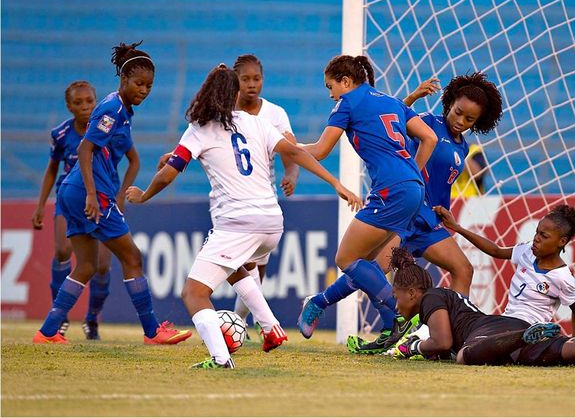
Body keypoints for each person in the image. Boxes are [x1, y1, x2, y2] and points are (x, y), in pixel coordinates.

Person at [127, 64, 362, 369]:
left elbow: (168, 174)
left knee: (194, 293)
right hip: (271, 223)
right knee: (236, 265)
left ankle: (220, 358)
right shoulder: (257, 123)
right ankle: (271, 327)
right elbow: (295, 152)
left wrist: (144, 195)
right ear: (235, 94)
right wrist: (335, 183)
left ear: (206, 93)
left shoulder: (199, 128)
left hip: (239, 224)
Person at [298, 73, 504, 351]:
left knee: (463, 268)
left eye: (470, 119)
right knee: (372, 271)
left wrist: (444, 211)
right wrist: (413, 97)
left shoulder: (463, 147)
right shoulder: (429, 122)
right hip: (404, 213)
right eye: (458, 112)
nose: (461, 121)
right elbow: (390, 118)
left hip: (429, 221)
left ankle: (451, 337)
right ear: (449, 104)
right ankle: (320, 303)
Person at [33, 41, 192, 346]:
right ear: (123, 79)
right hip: (88, 191)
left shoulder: (120, 108)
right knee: (132, 256)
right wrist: (93, 195)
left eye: (149, 85)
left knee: (87, 266)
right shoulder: (112, 109)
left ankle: (48, 331)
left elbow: (123, 156)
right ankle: (152, 331)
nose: (144, 90)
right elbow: (85, 149)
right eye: (138, 84)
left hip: (72, 191)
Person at [298, 55, 437, 353]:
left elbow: (320, 151)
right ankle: (375, 323)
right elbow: (429, 137)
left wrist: (287, 147)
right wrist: (411, 172)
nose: (331, 95)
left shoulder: (347, 103)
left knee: (346, 259)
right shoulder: (392, 101)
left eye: (330, 87)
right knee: (369, 267)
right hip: (414, 189)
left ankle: (397, 315)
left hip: (390, 189)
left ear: (346, 81)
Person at [388, 248, 575, 366]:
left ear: (412, 292)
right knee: (574, 353)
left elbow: (442, 341)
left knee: (465, 356)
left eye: (396, 296)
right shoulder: (440, 298)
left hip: (490, 331)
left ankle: (522, 338)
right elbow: (441, 345)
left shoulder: (431, 297)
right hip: (505, 332)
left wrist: (413, 348)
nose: (396, 304)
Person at [32, 81, 117, 340]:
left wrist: (119, 194)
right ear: (69, 106)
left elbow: (126, 159)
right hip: (69, 198)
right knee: (62, 251)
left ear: (96, 101)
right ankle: (59, 316)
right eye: (78, 102)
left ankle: (92, 320)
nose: (85, 107)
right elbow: (52, 169)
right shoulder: (60, 134)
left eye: (89, 101)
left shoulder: (106, 128)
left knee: (102, 265)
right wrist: (40, 205)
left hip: (100, 197)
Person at [433, 203, 575, 337]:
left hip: (528, 325)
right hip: (506, 322)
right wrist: (457, 228)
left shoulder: (562, 277)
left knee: (477, 338)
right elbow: (496, 251)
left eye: (544, 236)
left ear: (562, 241)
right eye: (537, 232)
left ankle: (536, 336)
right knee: (462, 317)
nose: (536, 238)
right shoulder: (527, 251)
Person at [230, 54, 299, 332]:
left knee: (256, 268)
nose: (251, 84)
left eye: (256, 78)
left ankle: (240, 322)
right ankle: (260, 324)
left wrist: (291, 174)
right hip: (231, 200)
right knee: (243, 263)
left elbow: (291, 151)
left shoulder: (275, 114)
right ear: (234, 81)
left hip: (264, 199)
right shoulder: (223, 110)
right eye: (245, 79)